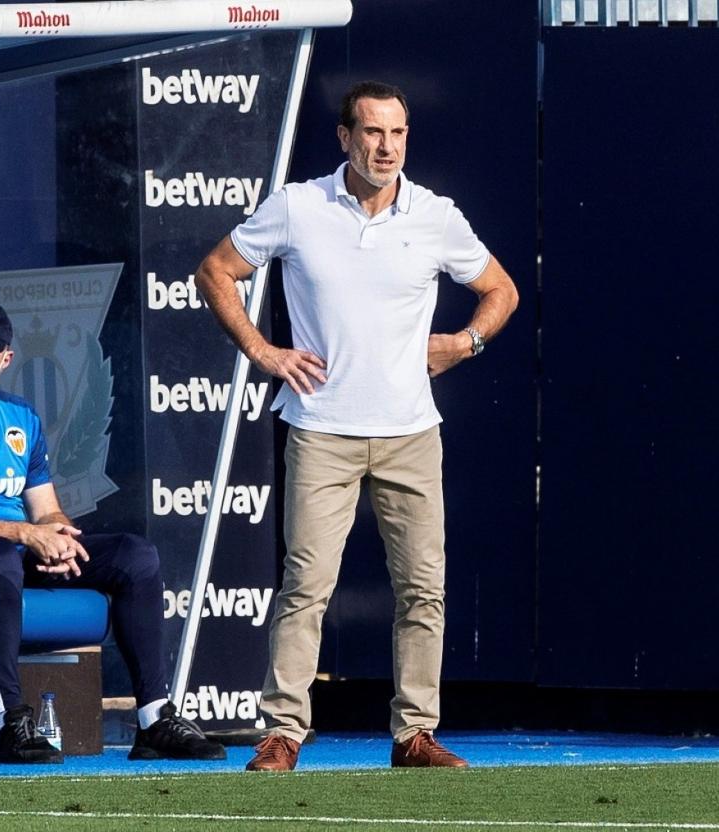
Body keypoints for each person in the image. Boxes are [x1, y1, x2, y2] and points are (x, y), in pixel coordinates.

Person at [194, 80, 519, 771]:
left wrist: (465, 344)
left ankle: (414, 735)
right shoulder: (299, 207)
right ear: (344, 137)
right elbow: (217, 271)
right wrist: (264, 352)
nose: (386, 147)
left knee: (423, 587)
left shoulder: (434, 215)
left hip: (410, 432)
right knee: (307, 583)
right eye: (372, 133)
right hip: (320, 428)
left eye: (397, 134)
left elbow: (501, 290)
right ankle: (283, 734)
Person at [0, 299, 226, 765]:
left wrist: (56, 536)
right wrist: (25, 534)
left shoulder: (20, 417)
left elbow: (44, 508)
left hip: (9, 546)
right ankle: (11, 723)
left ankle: (153, 717)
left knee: (134, 554)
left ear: (5, 358)